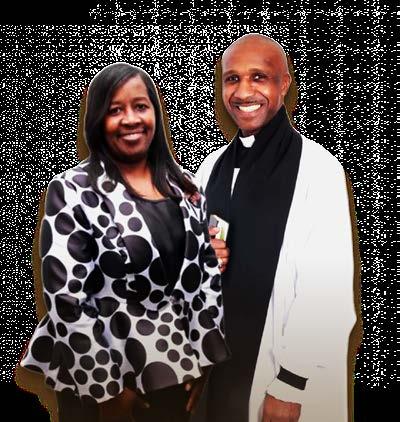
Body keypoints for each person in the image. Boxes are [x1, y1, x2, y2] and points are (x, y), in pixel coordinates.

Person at [19, 62, 230, 422]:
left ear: (155, 114)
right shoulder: (72, 190)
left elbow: (204, 277)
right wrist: (107, 390)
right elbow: (66, 299)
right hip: (98, 377)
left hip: (171, 368)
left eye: (140, 106)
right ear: (97, 120)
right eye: (115, 110)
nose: (131, 119)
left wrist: (204, 359)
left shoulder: (186, 187)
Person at [195, 34, 357, 422]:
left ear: (284, 84)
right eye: (232, 79)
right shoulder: (211, 167)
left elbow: (327, 289)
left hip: (284, 381)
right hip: (217, 371)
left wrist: (290, 384)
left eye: (259, 77)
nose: (243, 92)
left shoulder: (317, 169)